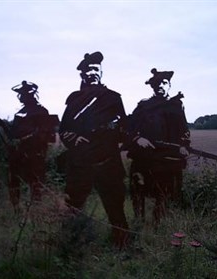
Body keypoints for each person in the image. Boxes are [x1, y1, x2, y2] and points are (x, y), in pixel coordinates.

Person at [59, 51, 129, 248]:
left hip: (107, 163)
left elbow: (124, 130)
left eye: (96, 69)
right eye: (88, 70)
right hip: (80, 164)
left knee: (115, 209)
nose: (92, 73)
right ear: (82, 74)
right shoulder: (74, 99)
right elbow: (64, 130)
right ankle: (69, 244)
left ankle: (122, 246)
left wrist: (116, 129)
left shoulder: (113, 98)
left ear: (101, 72)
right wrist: (75, 139)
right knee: (73, 207)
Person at [126, 68, 191, 224]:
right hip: (145, 158)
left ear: (169, 85)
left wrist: (184, 145)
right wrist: (137, 138)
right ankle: (138, 225)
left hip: (168, 160)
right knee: (139, 193)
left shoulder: (176, 105)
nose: (161, 86)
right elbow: (129, 127)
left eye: (164, 82)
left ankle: (159, 227)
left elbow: (184, 130)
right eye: (157, 83)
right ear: (152, 86)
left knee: (164, 196)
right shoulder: (143, 106)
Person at [6, 80, 58, 209]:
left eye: (23, 94)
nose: (21, 96)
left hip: (35, 153)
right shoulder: (21, 112)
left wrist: (30, 138)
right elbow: (14, 133)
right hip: (19, 153)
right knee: (14, 182)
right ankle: (16, 209)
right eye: (20, 94)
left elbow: (45, 134)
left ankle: (37, 213)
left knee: (35, 185)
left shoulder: (40, 111)